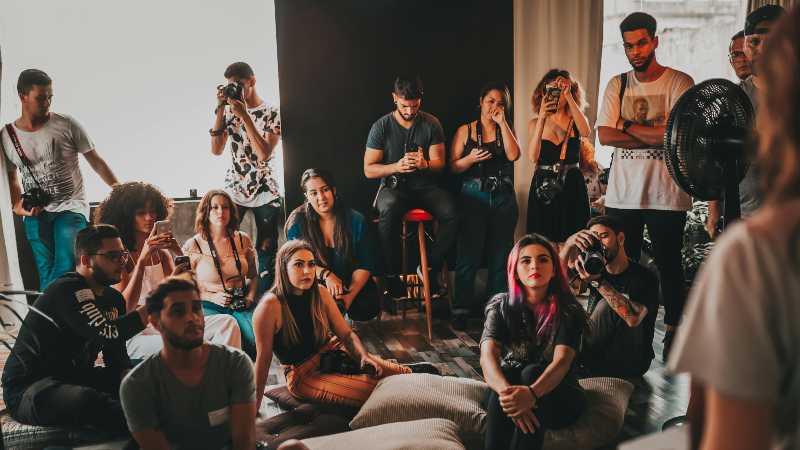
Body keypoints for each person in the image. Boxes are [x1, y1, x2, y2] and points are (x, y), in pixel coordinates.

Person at [669, 7, 800, 449]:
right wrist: (711, 207)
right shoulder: (729, 98)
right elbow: (706, 159)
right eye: (752, 39)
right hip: (739, 209)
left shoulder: (755, 255)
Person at [595, 12, 695, 360]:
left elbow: (678, 136)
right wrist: (654, 135)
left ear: (654, 41)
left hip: (668, 194)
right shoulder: (617, 84)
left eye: (640, 43)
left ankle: (673, 332)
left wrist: (627, 125)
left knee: (669, 265)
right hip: (624, 194)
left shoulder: (679, 83)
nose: (635, 51)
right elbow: (605, 134)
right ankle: (626, 336)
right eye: (628, 46)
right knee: (619, 264)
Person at [253, 240, 439, 411]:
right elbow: (263, 361)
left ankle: (418, 379)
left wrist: (363, 357)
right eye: (299, 264)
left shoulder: (320, 292)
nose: (308, 271)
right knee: (374, 390)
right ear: (283, 269)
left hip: (331, 352)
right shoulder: (270, 306)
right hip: (303, 375)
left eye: (311, 264)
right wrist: (254, 408)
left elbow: (346, 335)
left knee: (404, 372)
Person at [1, 224, 145, 433]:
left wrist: (130, 379)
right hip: (31, 389)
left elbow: (116, 354)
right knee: (85, 400)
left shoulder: (113, 299)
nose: (121, 262)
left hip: (75, 377)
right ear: (86, 260)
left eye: (122, 255)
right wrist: (150, 310)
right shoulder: (66, 289)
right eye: (112, 256)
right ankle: (150, 426)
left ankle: (148, 415)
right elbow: (105, 331)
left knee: (146, 371)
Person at [94, 182, 242, 359]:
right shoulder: (121, 256)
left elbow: (187, 288)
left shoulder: (162, 255)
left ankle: (225, 380)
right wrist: (141, 261)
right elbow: (125, 309)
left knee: (228, 323)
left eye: (153, 211)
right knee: (193, 343)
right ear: (127, 216)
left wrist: (177, 252)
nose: (149, 217)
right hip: (135, 335)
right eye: (141, 213)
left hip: (164, 324)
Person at [1, 69, 119, 289]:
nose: (46, 103)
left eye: (49, 97)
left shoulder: (66, 124)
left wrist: (120, 190)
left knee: (65, 263)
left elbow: (96, 161)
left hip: (71, 206)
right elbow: (12, 179)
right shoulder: (7, 136)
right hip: (36, 212)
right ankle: (53, 316)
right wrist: (19, 207)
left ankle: (48, 314)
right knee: (45, 269)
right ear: (22, 96)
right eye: (40, 98)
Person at [120, 277, 256, 450]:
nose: (192, 318)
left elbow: (244, 442)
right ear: (155, 322)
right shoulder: (137, 385)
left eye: (196, 309)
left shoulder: (236, 363)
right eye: (178, 311)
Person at [480, 234, 587, 450]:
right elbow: (487, 357)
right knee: (509, 373)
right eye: (526, 260)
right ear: (515, 270)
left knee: (531, 372)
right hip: (509, 391)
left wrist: (532, 394)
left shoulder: (569, 310)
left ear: (555, 269)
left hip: (560, 395)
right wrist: (509, 396)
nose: (534, 266)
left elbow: (562, 363)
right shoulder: (501, 306)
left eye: (543, 259)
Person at [364, 75, 457, 291]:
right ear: (395, 98)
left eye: (414, 106)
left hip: (425, 187)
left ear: (420, 100)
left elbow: (440, 164)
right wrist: (396, 166)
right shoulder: (382, 126)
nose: (409, 111)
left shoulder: (431, 123)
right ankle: (392, 275)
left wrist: (425, 164)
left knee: (452, 210)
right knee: (389, 209)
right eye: (405, 106)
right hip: (394, 186)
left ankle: (429, 268)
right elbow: (369, 169)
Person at [706, 6, 785, 238]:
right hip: (745, 212)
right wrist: (714, 210)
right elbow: (716, 155)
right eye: (754, 42)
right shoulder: (734, 98)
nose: (762, 50)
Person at [449, 82, 521, 330]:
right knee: (468, 254)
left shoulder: (505, 129)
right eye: (490, 101)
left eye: (500, 103)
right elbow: (453, 167)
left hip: (502, 195)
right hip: (473, 194)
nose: (495, 106)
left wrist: (502, 123)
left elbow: (514, 155)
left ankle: (495, 308)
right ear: (480, 102)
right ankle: (461, 308)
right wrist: (469, 159)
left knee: (500, 255)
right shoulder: (465, 130)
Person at [210, 61, 282, 295]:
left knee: (267, 249)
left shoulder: (272, 111)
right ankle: (231, 293)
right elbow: (216, 149)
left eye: (239, 85)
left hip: (265, 188)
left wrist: (245, 116)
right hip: (235, 188)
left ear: (252, 81)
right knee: (225, 245)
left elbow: (264, 153)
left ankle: (263, 300)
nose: (235, 90)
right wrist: (221, 108)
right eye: (231, 86)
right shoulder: (229, 111)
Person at [561, 215, 658, 377]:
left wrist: (598, 282)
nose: (599, 244)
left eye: (604, 237)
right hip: (598, 352)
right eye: (593, 239)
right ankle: (563, 361)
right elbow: (551, 285)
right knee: (565, 307)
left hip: (631, 360)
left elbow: (633, 318)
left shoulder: (645, 277)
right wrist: (568, 247)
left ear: (620, 239)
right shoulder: (591, 266)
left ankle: (566, 362)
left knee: (610, 306)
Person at [286, 168, 380, 321]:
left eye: (325, 190)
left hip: (348, 281)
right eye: (314, 193)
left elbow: (365, 264)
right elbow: (295, 263)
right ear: (307, 196)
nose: (321, 197)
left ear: (333, 190)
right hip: (315, 281)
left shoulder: (356, 219)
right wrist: (326, 275)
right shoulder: (298, 222)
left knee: (367, 307)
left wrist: (348, 297)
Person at [183, 190, 258, 358]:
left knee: (253, 340)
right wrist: (211, 297)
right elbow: (184, 287)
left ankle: (244, 379)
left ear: (231, 212)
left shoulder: (242, 239)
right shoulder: (193, 245)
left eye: (225, 207)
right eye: (214, 207)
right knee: (224, 343)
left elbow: (253, 276)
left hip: (240, 302)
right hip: (208, 304)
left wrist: (251, 297)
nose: (220, 212)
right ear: (205, 211)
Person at [526, 69, 592, 243]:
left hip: (572, 184)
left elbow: (586, 131)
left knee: (574, 239)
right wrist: (542, 117)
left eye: (561, 89)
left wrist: (569, 95)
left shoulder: (576, 120)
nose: (557, 93)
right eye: (551, 89)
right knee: (543, 241)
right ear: (543, 92)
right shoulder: (534, 123)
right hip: (544, 185)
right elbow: (533, 157)